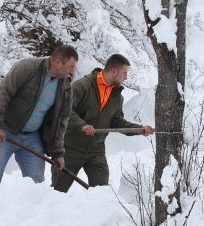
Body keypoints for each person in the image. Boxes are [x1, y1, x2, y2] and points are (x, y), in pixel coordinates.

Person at [53, 54, 154, 192]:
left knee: (102, 194)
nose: (126, 77)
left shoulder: (117, 97)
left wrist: (139, 129)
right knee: (57, 192)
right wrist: (82, 125)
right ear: (114, 71)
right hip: (70, 148)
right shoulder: (82, 86)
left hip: (96, 151)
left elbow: (117, 122)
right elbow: (64, 110)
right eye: (124, 73)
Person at [0, 45, 78, 184]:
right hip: (5, 131)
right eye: (71, 66)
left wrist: (58, 153)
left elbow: (61, 122)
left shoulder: (65, 88)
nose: (72, 70)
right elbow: (2, 93)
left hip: (33, 138)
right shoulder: (28, 68)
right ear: (57, 62)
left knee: (37, 184)